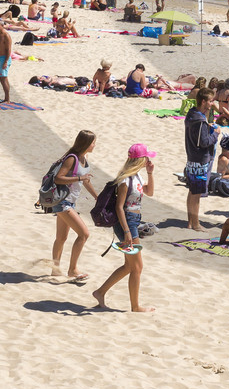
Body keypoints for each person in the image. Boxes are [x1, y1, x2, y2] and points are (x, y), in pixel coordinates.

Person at [92, 144, 155, 313]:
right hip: (126, 223)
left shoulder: (137, 177)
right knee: (137, 267)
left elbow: (149, 192)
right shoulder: (125, 180)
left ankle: (100, 292)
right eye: (146, 158)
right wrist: (127, 232)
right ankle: (135, 306)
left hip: (133, 220)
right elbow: (120, 207)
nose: (148, 160)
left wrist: (150, 173)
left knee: (129, 266)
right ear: (140, 159)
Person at [49, 130, 97, 282]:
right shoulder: (72, 158)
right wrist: (78, 177)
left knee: (61, 237)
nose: (95, 145)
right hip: (62, 202)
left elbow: (85, 180)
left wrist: (97, 197)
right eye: (93, 142)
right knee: (84, 234)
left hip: (70, 202)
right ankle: (73, 270)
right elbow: (58, 179)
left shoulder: (84, 158)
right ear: (87, 143)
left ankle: (55, 270)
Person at [183, 90, 218, 230]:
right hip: (199, 160)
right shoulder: (200, 121)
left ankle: (191, 222)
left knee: (192, 191)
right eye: (210, 101)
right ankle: (196, 224)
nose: (212, 103)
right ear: (203, 101)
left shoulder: (191, 114)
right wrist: (215, 134)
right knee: (196, 193)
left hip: (191, 157)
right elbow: (204, 142)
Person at [0, 20, 13, 102]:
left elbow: (8, 49)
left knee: (3, 79)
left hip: (4, 58)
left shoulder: (6, 35)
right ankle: (6, 98)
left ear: (2, 26)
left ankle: (7, 99)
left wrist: (6, 61)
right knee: (3, 79)